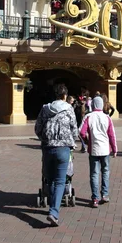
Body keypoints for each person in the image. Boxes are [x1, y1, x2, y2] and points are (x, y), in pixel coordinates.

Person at [34, 84, 78, 227]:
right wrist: (72, 141)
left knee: (50, 179)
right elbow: (74, 130)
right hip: (63, 148)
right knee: (60, 181)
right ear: (65, 96)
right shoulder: (69, 109)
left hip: (48, 147)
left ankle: (52, 209)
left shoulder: (45, 108)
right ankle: (53, 212)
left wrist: (44, 139)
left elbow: (38, 128)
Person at [79, 96, 118, 208]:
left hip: (94, 149)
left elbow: (81, 132)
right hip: (105, 149)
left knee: (94, 174)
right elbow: (112, 135)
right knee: (105, 171)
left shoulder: (88, 116)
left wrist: (87, 141)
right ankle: (105, 195)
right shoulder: (107, 118)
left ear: (93, 105)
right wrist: (115, 149)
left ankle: (95, 198)